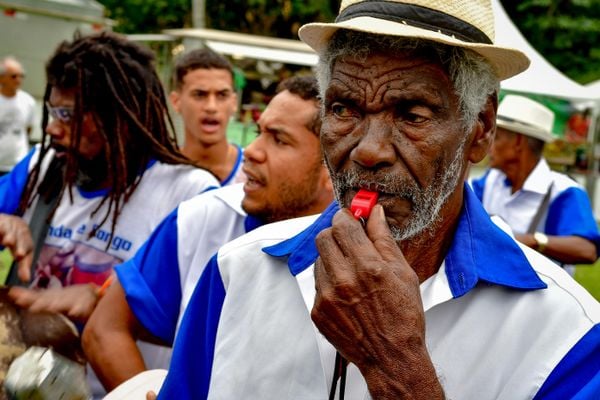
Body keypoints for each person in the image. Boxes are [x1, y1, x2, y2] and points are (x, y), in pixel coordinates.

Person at [157, 1, 600, 399]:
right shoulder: (238, 272)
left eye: (412, 115)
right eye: (344, 109)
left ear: (480, 128)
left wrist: (399, 368)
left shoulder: (565, 335)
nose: (369, 151)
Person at [0, 31, 219, 396]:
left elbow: (203, 320)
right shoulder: (44, 167)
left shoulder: (188, 193)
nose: (53, 128)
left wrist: (101, 299)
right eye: (52, 111)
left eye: (69, 114)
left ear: (118, 117)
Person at [83, 76, 334, 391]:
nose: (252, 151)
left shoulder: (360, 263)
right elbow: (105, 330)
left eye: (279, 140)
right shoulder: (202, 217)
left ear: (332, 166)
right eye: (259, 133)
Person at [471, 94, 599, 274]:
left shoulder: (563, 191)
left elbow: (587, 250)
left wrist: (530, 240)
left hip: (542, 298)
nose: (486, 143)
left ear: (518, 142)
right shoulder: (489, 181)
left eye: (496, 137)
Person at [169, 48, 245, 185]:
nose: (211, 107)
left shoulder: (256, 172)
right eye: (199, 95)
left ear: (234, 102)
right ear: (176, 102)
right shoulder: (159, 174)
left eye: (222, 95)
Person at [0, 56, 36, 174]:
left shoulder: (28, 101)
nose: (18, 80)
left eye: (21, 76)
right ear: (2, 78)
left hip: (17, 163)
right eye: (13, 76)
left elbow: (28, 129)